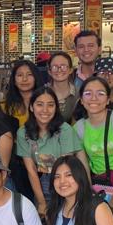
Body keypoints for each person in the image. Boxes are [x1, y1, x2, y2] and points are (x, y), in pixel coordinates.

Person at [19, 87, 85, 216]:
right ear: (31, 107)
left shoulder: (65, 130)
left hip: (66, 179)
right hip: (41, 180)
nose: (45, 110)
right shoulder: (23, 132)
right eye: (39, 105)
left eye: (50, 105)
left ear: (56, 108)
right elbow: (31, 169)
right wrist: (41, 202)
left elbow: (65, 168)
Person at [74, 77, 113, 210]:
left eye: (100, 93)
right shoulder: (78, 128)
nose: (94, 98)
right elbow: (84, 165)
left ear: (108, 99)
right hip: (98, 185)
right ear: (81, 100)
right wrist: (90, 195)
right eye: (88, 93)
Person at [1, 59, 40, 128]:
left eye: (29, 74)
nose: (24, 79)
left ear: (36, 77)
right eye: (20, 75)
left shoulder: (45, 103)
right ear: (14, 80)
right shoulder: (4, 107)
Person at [46, 51, 79, 123]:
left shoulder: (79, 93)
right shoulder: (42, 92)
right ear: (49, 71)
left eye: (63, 66)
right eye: (55, 67)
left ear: (70, 70)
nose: (59, 70)